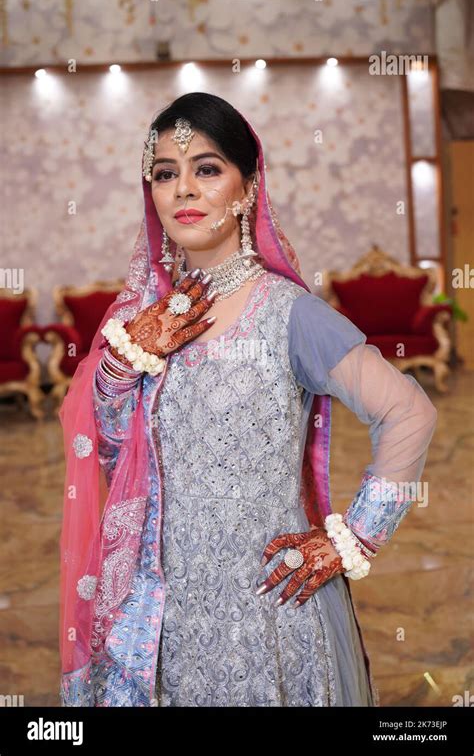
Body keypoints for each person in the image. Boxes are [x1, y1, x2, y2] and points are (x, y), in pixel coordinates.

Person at [58, 92, 437, 707]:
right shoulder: (144, 322)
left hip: (267, 611)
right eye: (164, 174)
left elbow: (409, 411)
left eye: (206, 169)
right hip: (161, 613)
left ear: (247, 189)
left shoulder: (289, 316)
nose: (183, 189)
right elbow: (108, 454)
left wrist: (353, 538)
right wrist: (121, 366)